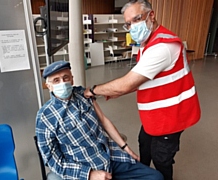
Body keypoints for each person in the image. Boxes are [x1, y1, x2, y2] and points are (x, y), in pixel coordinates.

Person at [84, 1, 201, 180]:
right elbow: (144, 79)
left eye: (136, 19)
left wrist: (93, 90)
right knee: (144, 144)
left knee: (161, 158)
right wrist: (115, 91)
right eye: (129, 24)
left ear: (151, 16)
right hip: (155, 114)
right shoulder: (147, 44)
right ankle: (142, 175)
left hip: (171, 115)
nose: (132, 27)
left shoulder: (162, 46)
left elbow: (128, 83)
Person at [36, 60, 163, 180]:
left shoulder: (82, 94)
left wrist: (125, 148)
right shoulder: (45, 117)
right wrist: (89, 174)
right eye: (56, 80)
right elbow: (51, 160)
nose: (62, 83)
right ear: (49, 86)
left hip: (108, 155)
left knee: (156, 177)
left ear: (72, 79)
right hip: (83, 166)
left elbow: (103, 120)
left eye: (66, 78)